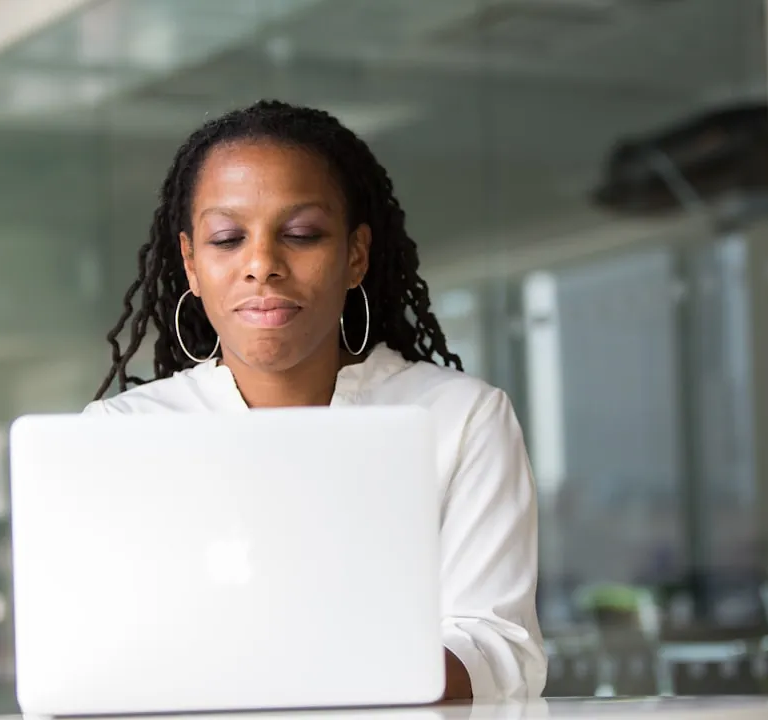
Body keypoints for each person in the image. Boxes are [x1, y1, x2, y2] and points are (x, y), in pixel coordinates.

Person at [83, 99, 546, 701]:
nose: (263, 266)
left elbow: (497, 649)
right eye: (227, 239)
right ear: (192, 265)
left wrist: (275, 671)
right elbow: (92, 653)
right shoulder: (119, 435)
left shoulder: (458, 419)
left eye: (300, 234)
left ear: (355, 254)